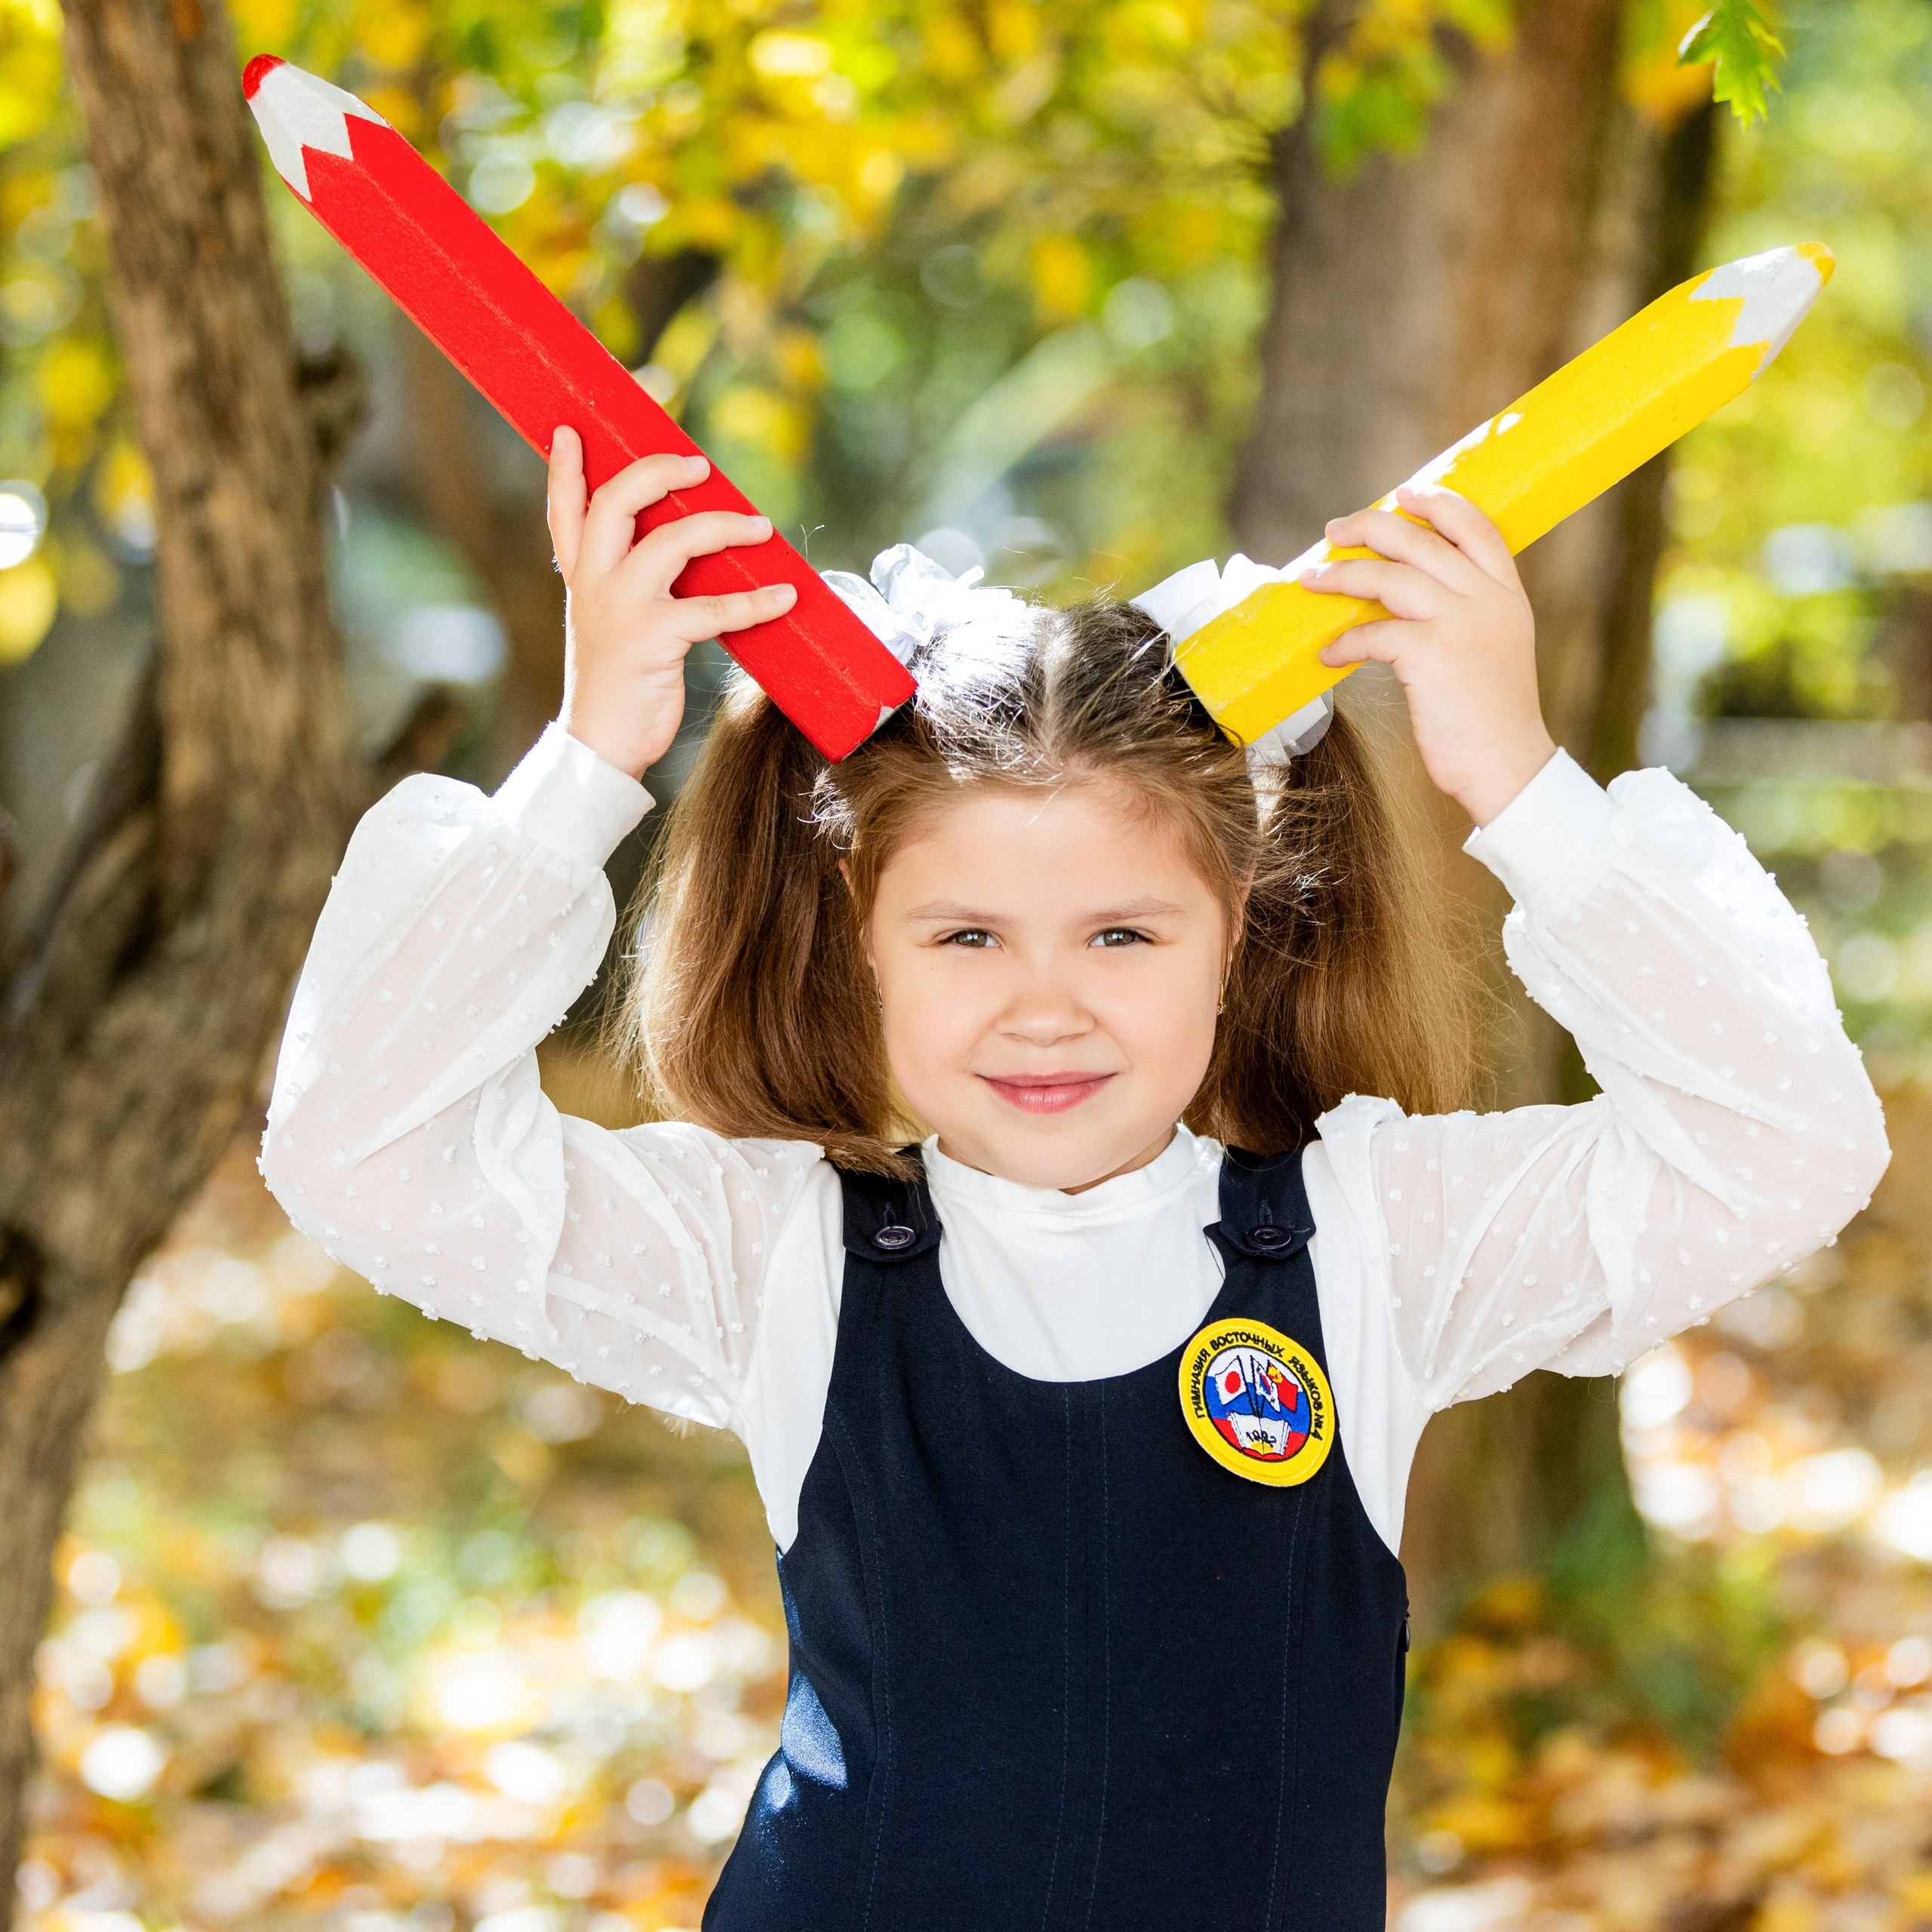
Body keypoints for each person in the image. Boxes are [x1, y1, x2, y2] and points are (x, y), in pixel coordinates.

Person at [260, 429, 1887, 1928]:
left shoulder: (1378, 1240)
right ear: (861, 943)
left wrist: (1520, 784)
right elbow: (361, 1145)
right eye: (965, 935)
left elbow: (1781, 1140)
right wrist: (587, 757)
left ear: (1234, 931)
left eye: (1120, 931)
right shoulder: (774, 1252)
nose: (1045, 1004)